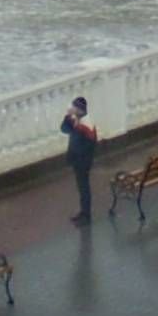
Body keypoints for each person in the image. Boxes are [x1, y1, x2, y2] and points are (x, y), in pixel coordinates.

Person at [60, 96, 99, 225]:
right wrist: (68, 117)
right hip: (78, 161)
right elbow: (64, 129)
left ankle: (86, 215)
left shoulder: (86, 124)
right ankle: (83, 212)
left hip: (83, 162)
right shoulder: (77, 120)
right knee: (81, 188)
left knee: (84, 188)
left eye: (75, 107)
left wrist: (78, 157)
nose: (73, 109)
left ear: (80, 109)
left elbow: (89, 146)